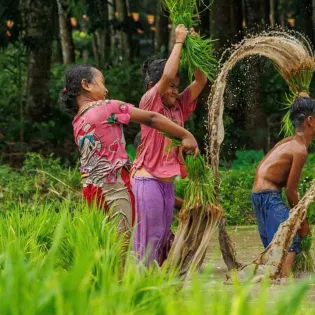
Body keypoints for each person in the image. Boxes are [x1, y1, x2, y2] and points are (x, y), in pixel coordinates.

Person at [61, 64, 198, 240]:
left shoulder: (78, 120)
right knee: (122, 246)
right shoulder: (106, 107)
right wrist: (185, 134)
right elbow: (152, 117)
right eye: (102, 82)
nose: (106, 89)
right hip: (114, 190)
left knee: (105, 244)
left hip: (91, 190)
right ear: (86, 85)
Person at [132, 24, 208, 266]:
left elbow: (201, 80)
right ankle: (140, 290)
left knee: (164, 238)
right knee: (148, 241)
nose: (175, 90)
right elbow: (165, 77)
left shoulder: (179, 105)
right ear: (153, 87)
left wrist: (193, 48)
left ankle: (159, 292)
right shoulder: (149, 102)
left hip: (167, 184)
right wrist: (178, 43)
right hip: (148, 181)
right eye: (171, 87)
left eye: (177, 86)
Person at [252, 96, 315, 277]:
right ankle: (285, 286)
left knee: (276, 249)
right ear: (310, 121)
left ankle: (277, 284)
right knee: (290, 241)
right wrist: (302, 223)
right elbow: (291, 190)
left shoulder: (289, 141)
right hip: (269, 195)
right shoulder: (300, 150)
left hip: (258, 195)